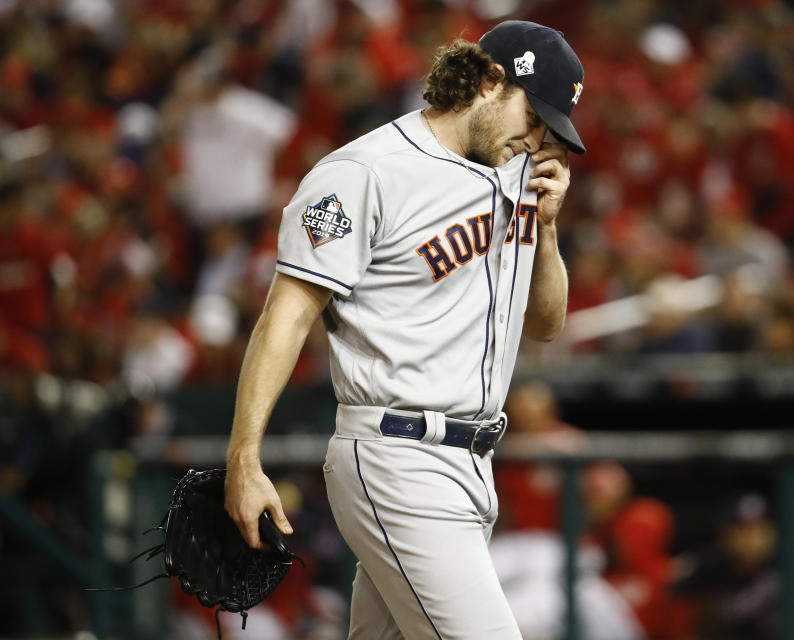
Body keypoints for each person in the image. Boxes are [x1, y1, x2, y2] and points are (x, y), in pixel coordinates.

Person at [223, 19, 585, 640]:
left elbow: (546, 324)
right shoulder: (365, 171)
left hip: (471, 465)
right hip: (398, 457)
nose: (539, 138)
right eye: (535, 114)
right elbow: (286, 314)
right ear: (490, 80)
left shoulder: (519, 174)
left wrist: (547, 231)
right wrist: (244, 456)